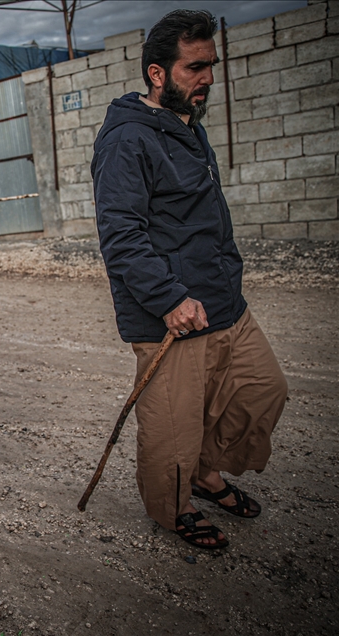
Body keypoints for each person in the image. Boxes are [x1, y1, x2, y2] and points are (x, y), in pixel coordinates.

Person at [91, 9, 288, 550]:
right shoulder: (126, 140)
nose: (207, 78)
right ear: (158, 74)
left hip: (223, 301)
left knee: (262, 390)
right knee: (171, 431)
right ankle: (172, 507)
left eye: (211, 66)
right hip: (172, 315)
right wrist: (170, 298)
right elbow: (121, 235)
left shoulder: (186, 127)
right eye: (194, 68)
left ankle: (205, 472)